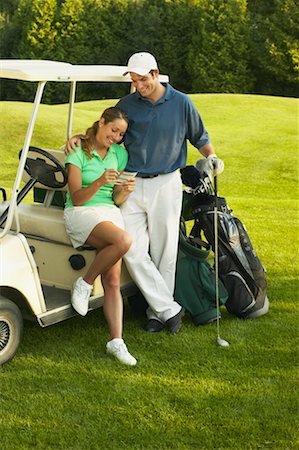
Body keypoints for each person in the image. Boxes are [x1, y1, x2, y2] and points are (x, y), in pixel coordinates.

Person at [65, 52, 224, 335]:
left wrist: (211, 157)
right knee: (132, 248)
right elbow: (106, 131)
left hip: (166, 182)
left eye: (142, 79)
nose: (139, 85)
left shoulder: (181, 103)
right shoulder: (127, 105)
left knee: (165, 251)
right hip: (131, 182)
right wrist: (77, 139)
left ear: (155, 73)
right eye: (135, 80)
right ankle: (168, 308)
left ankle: (156, 313)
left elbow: (201, 138)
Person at [64, 106, 137, 366]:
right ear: (102, 122)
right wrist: (99, 181)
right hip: (81, 212)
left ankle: (116, 342)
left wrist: (124, 191)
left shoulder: (119, 153)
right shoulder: (78, 151)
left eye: (121, 134)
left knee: (114, 280)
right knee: (123, 241)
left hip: (108, 212)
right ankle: (84, 283)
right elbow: (77, 197)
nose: (116, 137)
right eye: (113, 130)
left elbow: (115, 198)